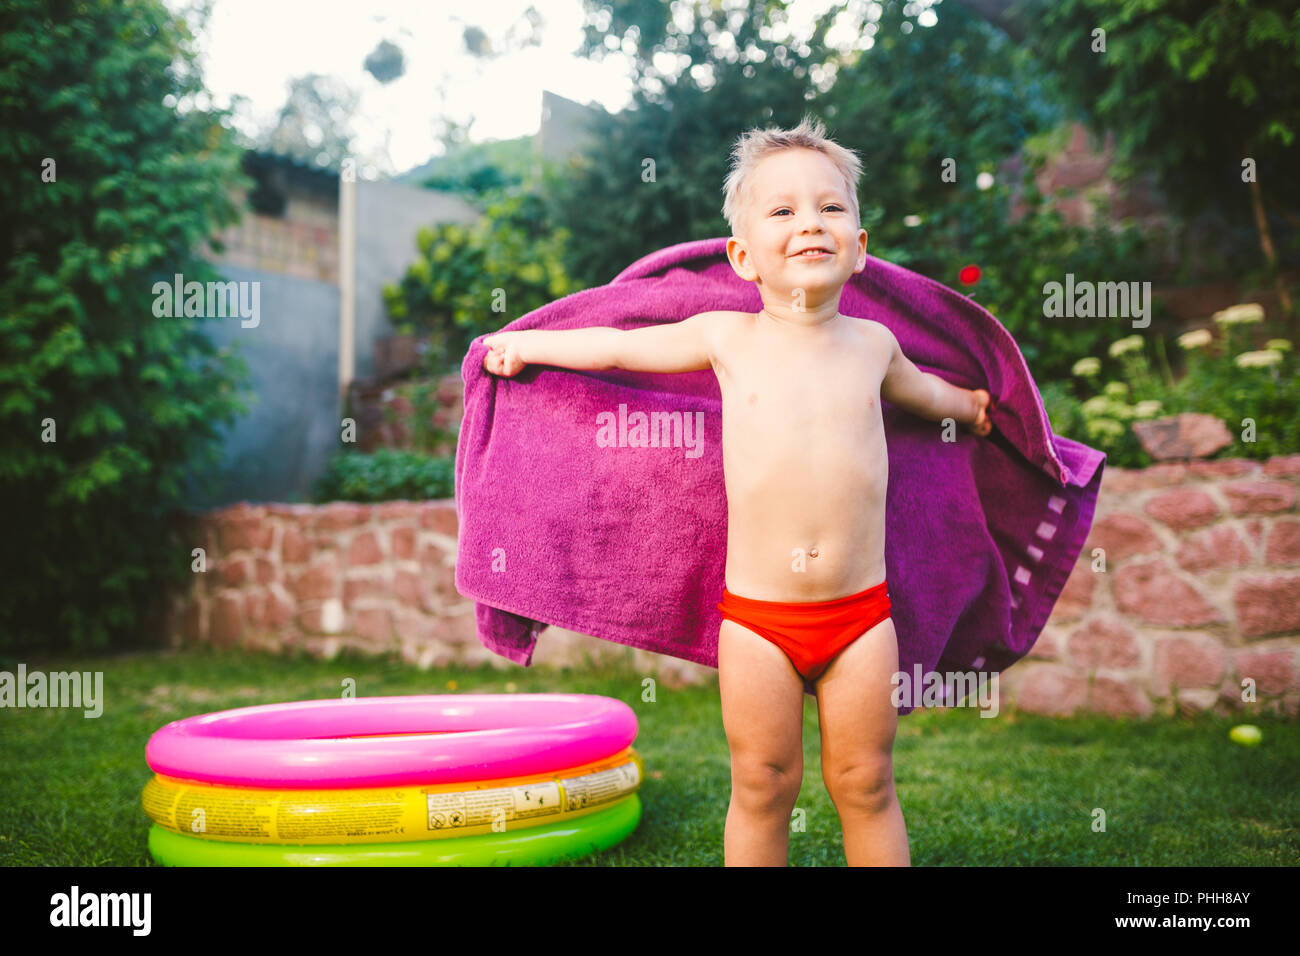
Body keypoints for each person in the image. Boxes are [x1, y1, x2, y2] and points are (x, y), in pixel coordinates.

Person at [482, 114, 993, 866]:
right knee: (761, 783)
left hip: (862, 619)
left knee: (866, 781)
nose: (810, 223)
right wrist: (525, 345)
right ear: (744, 257)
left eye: (831, 208)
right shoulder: (726, 336)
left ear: (859, 250)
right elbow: (620, 345)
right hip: (757, 623)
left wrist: (973, 406)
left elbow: (926, 398)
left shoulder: (874, 347)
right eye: (783, 211)